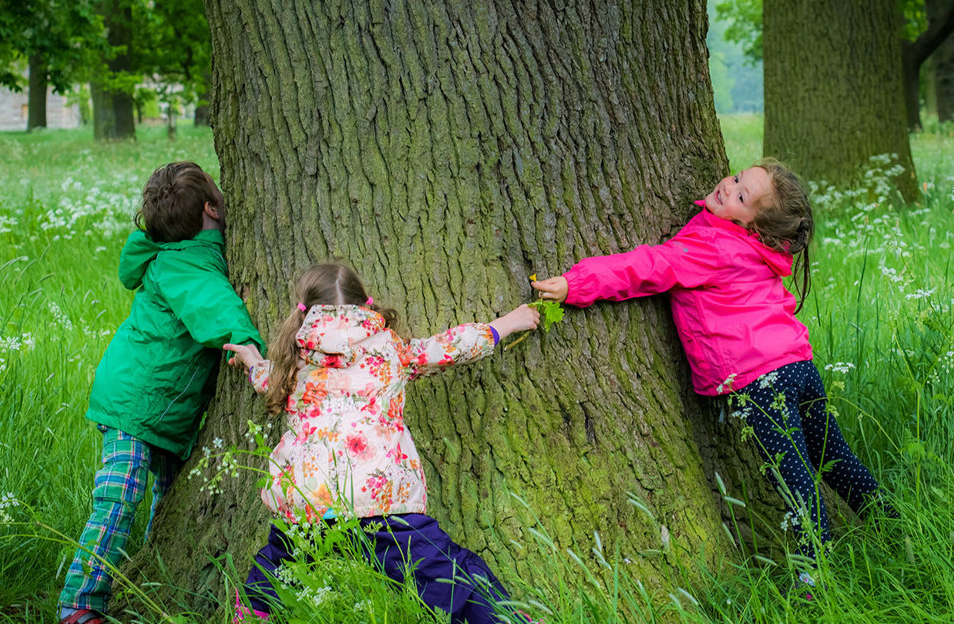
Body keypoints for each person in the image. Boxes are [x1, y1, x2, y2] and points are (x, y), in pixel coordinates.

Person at [533, 159, 894, 587]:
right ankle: (893, 527)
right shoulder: (759, 250)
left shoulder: (713, 246)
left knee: (793, 474)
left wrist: (577, 284)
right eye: (738, 178)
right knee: (830, 457)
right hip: (799, 366)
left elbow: (648, 266)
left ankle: (818, 572)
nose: (729, 187)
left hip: (763, 380)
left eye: (742, 196)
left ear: (754, 225)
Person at [223, 263, 539, 623]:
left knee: (276, 566)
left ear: (304, 308)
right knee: (448, 572)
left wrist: (251, 361)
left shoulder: (293, 360)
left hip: (307, 498)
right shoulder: (390, 350)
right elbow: (450, 347)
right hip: (382, 500)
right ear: (366, 304)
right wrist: (508, 322)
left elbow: (266, 380)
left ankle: (253, 613)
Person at [58, 162, 265, 624]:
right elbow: (211, 304)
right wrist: (250, 343)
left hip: (163, 407)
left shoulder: (167, 246)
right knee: (119, 496)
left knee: (170, 501)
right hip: (136, 402)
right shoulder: (186, 262)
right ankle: (79, 604)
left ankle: (154, 573)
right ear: (211, 207)